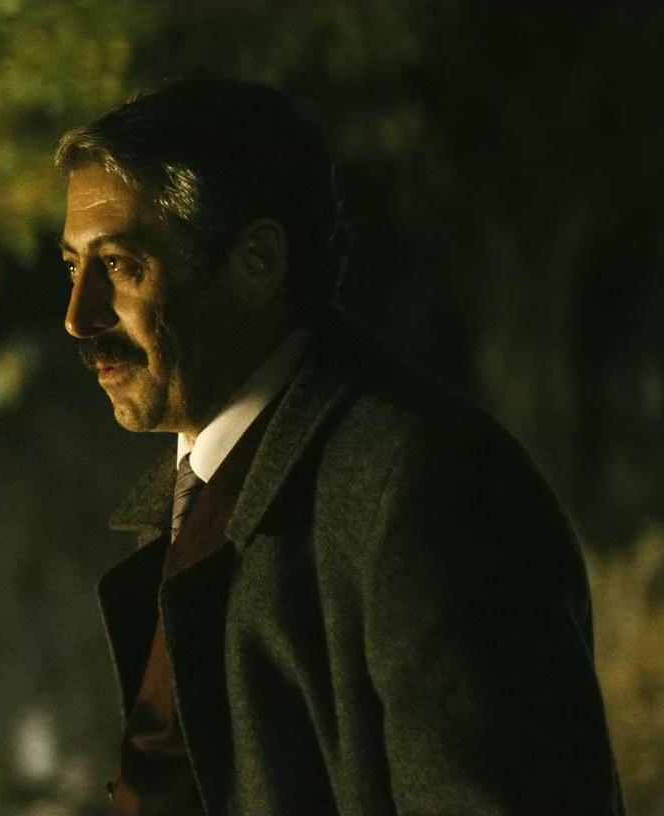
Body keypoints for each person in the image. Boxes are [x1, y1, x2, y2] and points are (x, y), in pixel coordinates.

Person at [57, 78, 624, 816]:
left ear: (257, 263)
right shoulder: (200, 494)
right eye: (73, 267)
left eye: (120, 266)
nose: (77, 317)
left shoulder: (426, 490)